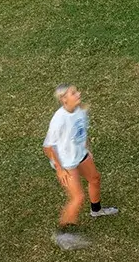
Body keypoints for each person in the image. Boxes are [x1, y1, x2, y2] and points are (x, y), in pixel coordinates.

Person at [44, 84, 119, 250]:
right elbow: (48, 147)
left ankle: (96, 210)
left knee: (95, 178)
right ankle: (63, 234)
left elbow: (82, 132)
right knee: (77, 198)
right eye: (73, 93)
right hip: (66, 163)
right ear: (64, 99)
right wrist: (59, 168)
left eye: (76, 91)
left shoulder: (81, 111)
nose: (78, 93)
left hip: (80, 154)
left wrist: (87, 150)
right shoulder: (59, 119)